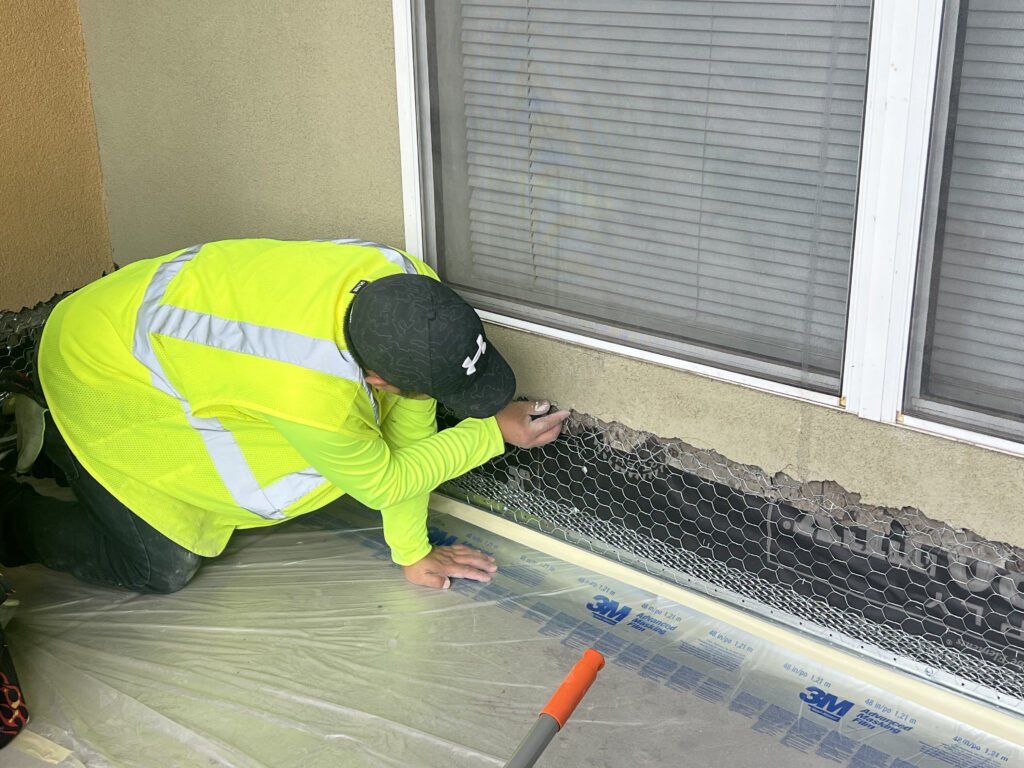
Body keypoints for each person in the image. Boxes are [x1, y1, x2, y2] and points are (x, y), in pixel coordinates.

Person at [0, 238, 569, 593]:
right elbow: (385, 477)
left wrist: (411, 551)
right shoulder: (305, 388)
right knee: (162, 564)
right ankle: (17, 500)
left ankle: (55, 441)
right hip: (97, 373)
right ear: (375, 378)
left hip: (120, 320)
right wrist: (490, 432)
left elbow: (407, 422)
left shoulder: (406, 288)